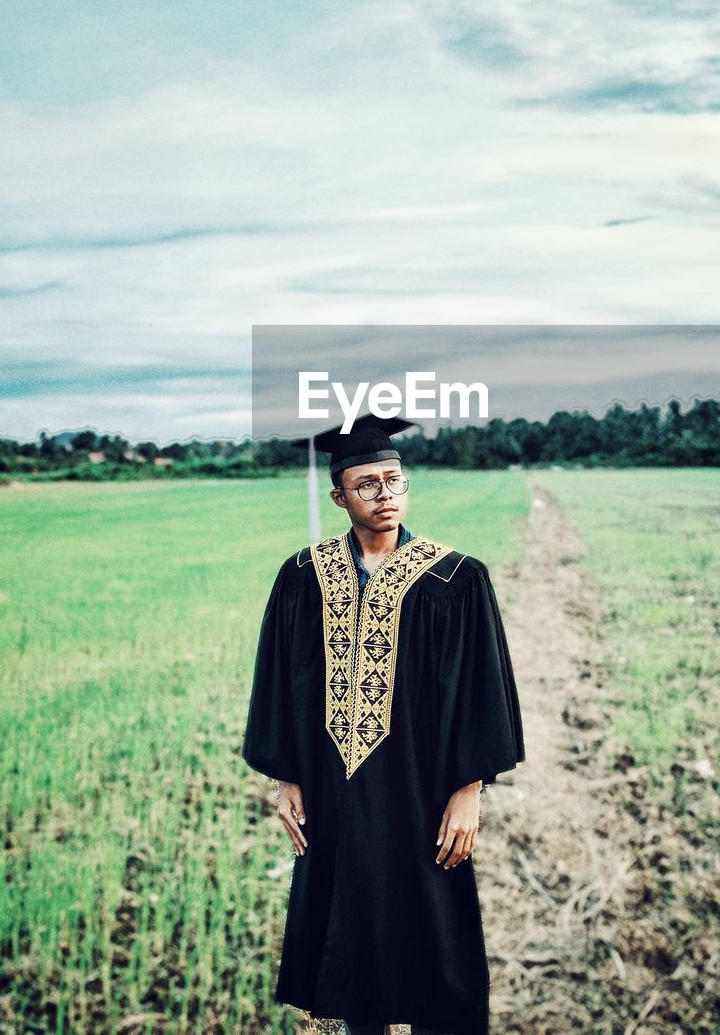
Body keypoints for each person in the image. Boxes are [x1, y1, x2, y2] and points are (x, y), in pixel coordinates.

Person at [242, 413, 525, 1035]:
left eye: (394, 480)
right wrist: (285, 778)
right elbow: (280, 681)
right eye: (366, 484)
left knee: (431, 935)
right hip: (333, 790)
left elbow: (482, 691)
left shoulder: (456, 578)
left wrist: (468, 792)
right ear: (340, 494)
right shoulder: (301, 577)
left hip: (420, 792)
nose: (385, 495)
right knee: (349, 929)